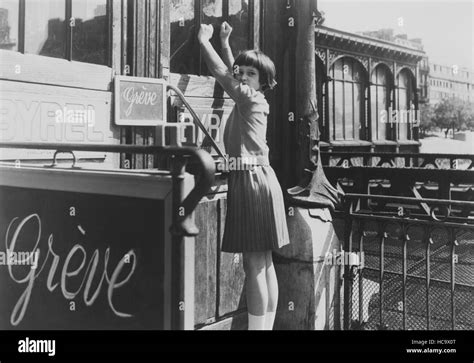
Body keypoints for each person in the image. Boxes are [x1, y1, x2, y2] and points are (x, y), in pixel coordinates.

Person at [198, 22, 290, 330]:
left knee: (254, 266)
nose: (244, 76)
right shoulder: (254, 98)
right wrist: (225, 42)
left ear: (263, 83)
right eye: (244, 72)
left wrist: (204, 41)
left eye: (253, 74)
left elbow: (223, 73)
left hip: (250, 182)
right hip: (263, 180)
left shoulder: (249, 98)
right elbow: (233, 72)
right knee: (264, 263)